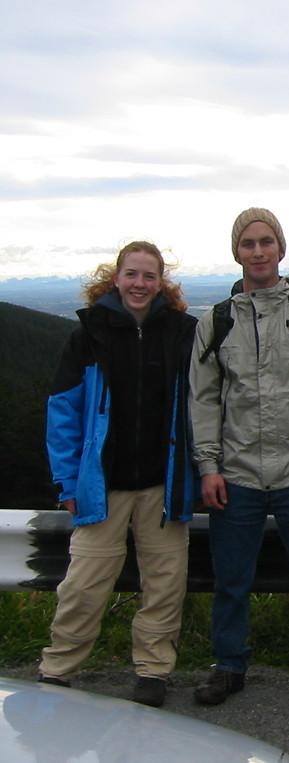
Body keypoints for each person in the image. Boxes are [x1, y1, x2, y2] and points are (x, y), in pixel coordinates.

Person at [189, 207, 289, 711]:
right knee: (231, 580)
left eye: (266, 242)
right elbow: (204, 399)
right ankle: (229, 666)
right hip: (235, 472)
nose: (258, 251)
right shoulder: (215, 322)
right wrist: (209, 466)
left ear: (281, 249)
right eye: (248, 243)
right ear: (236, 252)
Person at [41, 241, 198, 708]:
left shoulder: (182, 332)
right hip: (101, 484)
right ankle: (58, 666)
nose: (140, 284)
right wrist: (67, 482)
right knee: (84, 583)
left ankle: (153, 671)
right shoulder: (88, 334)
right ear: (115, 278)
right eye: (132, 274)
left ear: (161, 282)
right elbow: (63, 412)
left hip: (163, 482)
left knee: (165, 582)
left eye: (149, 276)